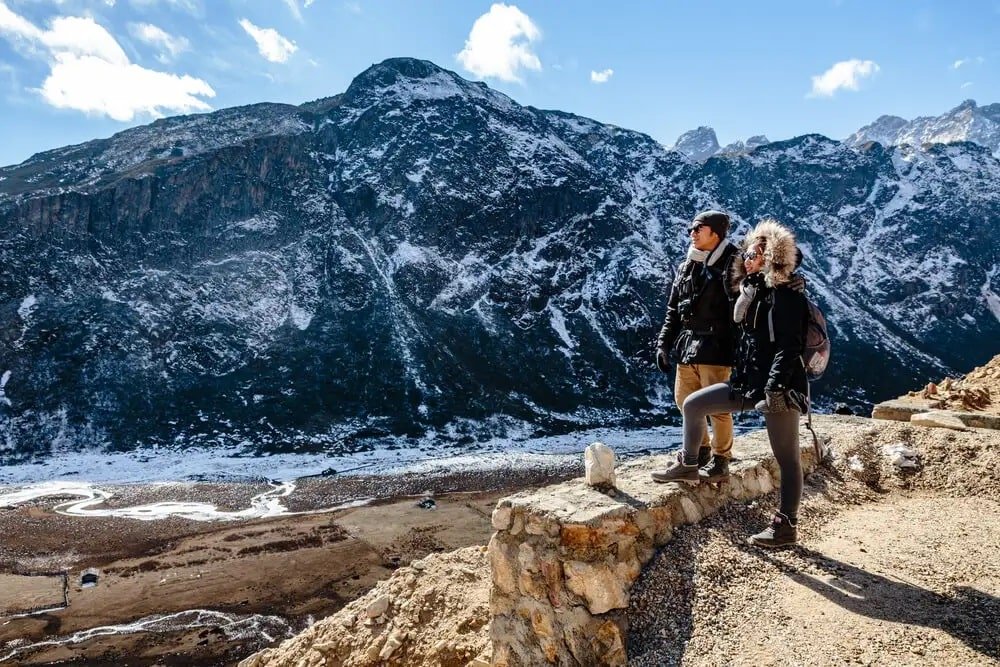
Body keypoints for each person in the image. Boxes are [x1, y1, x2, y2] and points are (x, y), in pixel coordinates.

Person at [652, 218, 810, 548]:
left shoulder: (786, 297)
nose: (745, 257)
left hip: (778, 389)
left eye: (753, 254)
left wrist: (775, 389)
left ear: (769, 260)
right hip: (747, 384)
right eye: (747, 253)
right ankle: (689, 464)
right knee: (694, 404)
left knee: (787, 457)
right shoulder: (749, 294)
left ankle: (786, 526)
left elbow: (789, 347)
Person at [655, 210, 739, 481]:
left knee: (717, 407)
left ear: (715, 233)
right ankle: (700, 450)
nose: (691, 233)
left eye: (698, 228)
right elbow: (673, 310)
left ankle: (721, 459)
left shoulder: (733, 263)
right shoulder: (687, 266)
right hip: (689, 344)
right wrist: (664, 344)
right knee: (684, 400)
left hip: (717, 346)